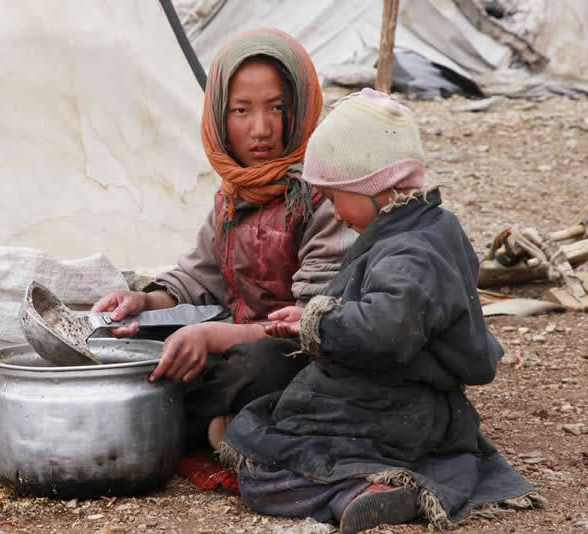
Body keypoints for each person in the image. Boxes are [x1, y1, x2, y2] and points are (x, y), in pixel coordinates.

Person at [217, 89, 542, 533]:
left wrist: (318, 322)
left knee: (264, 474)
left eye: (335, 194)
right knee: (273, 433)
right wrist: (310, 318)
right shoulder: (429, 230)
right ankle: (370, 485)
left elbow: (386, 330)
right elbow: (384, 311)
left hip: (391, 410)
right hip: (407, 406)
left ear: (374, 186)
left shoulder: (410, 254)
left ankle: (366, 491)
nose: (332, 207)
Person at [91, 29, 352, 448]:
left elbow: (314, 323)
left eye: (276, 108)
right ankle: (210, 420)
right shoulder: (233, 195)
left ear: (300, 108)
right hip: (240, 340)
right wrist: (143, 302)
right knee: (138, 339)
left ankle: (172, 417)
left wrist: (215, 338)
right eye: (241, 111)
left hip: (301, 352)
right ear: (218, 117)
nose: (261, 129)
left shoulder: (324, 197)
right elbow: (196, 279)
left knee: (262, 365)